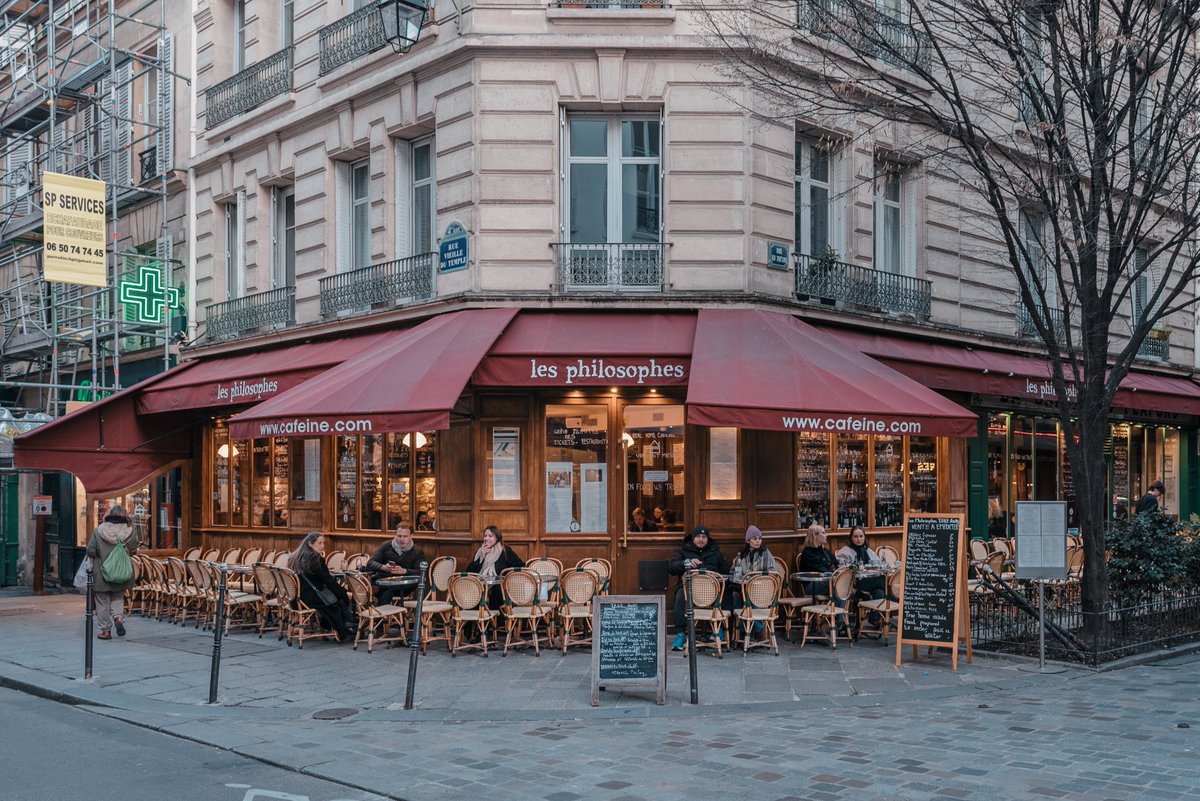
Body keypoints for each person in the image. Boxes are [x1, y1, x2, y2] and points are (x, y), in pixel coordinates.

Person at [667, 526, 729, 650]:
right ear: (693, 538)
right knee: (679, 596)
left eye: (704, 537)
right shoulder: (684, 550)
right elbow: (671, 568)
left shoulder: (715, 551)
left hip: (712, 589)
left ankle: (719, 630)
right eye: (698, 537)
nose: (701, 539)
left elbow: (725, 570)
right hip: (688, 589)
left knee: (726, 592)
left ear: (707, 538)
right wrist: (686, 563)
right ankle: (680, 634)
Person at [287, 532, 355, 643]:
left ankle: (340, 626)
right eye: (319, 543)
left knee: (335, 598)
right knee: (336, 601)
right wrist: (343, 593)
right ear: (310, 544)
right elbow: (328, 581)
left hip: (295, 599)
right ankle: (343, 633)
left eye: (323, 543)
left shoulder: (296, 557)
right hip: (309, 599)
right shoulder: (315, 559)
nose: (323, 546)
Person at [85, 505, 139, 640]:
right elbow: (133, 551)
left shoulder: (99, 531)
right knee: (118, 597)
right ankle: (118, 618)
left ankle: (106, 631)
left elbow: (90, 550)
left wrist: (101, 554)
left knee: (102, 602)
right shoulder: (130, 531)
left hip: (102, 572)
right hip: (121, 572)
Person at [731, 525, 775, 639]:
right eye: (754, 538)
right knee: (735, 596)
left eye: (759, 538)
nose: (758, 541)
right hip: (743, 589)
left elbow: (772, 573)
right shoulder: (741, 556)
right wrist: (739, 576)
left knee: (752, 597)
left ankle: (757, 631)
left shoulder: (765, 554)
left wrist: (758, 580)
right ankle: (743, 630)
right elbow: (734, 572)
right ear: (748, 540)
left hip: (762, 590)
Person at [467, 525, 525, 609]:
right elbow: (469, 571)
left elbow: (521, 566)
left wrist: (507, 576)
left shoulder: (505, 551)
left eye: (490, 536)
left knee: (497, 591)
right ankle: (474, 620)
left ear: (497, 538)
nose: (486, 538)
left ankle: (494, 620)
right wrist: (481, 558)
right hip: (481, 586)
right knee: (471, 590)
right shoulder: (480, 551)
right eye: (485, 536)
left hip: (499, 588)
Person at [366, 522, 426, 605]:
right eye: (399, 536)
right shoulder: (386, 546)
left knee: (386, 591)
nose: (402, 539)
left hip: (403, 585)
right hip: (384, 580)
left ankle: (379, 615)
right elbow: (370, 563)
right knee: (387, 593)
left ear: (411, 536)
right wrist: (383, 567)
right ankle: (383, 617)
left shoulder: (417, 551)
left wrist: (404, 571)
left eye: (405, 536)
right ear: (396, 535)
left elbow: (421, 572)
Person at [835, 526, 886, 602]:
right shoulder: (844, 552)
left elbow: (878, 565)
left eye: (861, 536)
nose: (859, 539)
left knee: (880, 593)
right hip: (854, 583)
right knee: (885, 581)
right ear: (851, 538)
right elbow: (841, 569)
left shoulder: (868, 550)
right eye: (855, 536)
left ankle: (875, 614)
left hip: (870, 581)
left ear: (865, 537)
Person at [798, 523, 839, 601]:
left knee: (841, 580)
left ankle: (839, 611)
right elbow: (821, 570)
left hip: (827, 581)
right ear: (815, 536)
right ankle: (837, 611)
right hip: (812, 585)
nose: (826, 535)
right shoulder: (808, 553)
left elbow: (836, 564)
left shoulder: (825, 551)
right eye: (823, 533)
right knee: (836, 582)